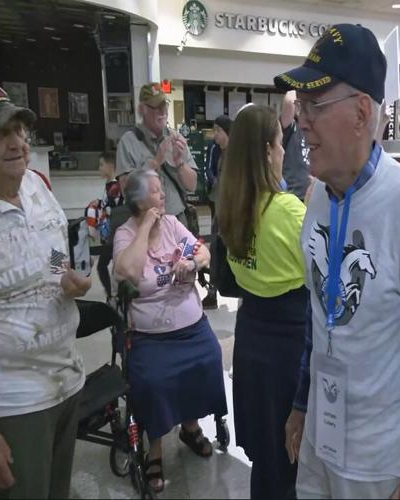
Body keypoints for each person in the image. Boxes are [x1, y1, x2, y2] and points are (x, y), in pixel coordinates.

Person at [274, 24, 400, 499]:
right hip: (320, 439)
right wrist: (301, 403)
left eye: (315, 105)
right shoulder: (318, 196)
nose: (302, 121)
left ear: (360, 113)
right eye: (302, 106)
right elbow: (318, 317)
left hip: (380, 462)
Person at [0, 82, 92, 498]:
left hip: (66, 381)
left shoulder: (38, 186)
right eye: (0, 133)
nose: (17, 143)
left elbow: (52, 252)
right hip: (12, 405)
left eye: (20, 130)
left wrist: (65, 276)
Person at [113, 170, 227, 493]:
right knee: (152, 380)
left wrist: (192, 263)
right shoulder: (126, 234)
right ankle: (155, 449)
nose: (162, 195)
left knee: (209, 357)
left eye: (162, 190)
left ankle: (189, 428)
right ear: (138, 201)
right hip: (150, 336)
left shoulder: (173, 225)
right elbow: (129, 271)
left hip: (190, 326)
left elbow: (203, 252)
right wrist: (147, 225)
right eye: (155, 192)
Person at [217, 104, 307, 499]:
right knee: (290, 459)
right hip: (289, 347)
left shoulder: (230, 208)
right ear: (268, 151)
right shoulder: (288, 211)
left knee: (266, 460)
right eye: (280, 142)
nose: (285, 150)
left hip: (251, 339)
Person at [115, 83, 198, 228]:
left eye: (164, 106)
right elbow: (126, 189)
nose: (163, 112)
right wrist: (155, 162)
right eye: (156, 107)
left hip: (178, 221)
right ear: (142, 109)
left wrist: (179, 163)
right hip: (145, 224)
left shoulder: (175, 138)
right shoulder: (128, 142)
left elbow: (193, 185)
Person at [202, 115, 232, 309]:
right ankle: (212, 292)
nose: (215, 135)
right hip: (220, 210)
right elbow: (209, 170)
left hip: (232, 212)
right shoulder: (217, 151)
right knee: (215, 250)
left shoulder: (236, 155)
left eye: (218, 131)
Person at [85, 151, 123, 301]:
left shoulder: (114, 186)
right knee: (110, 265)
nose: (99, 168)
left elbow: (111, 208)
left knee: (103, 266)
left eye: (101, 165)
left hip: (114, 233)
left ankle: (112, 295)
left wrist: (100, 205)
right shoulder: (112, 185)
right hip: (113, 233)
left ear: (111, 165)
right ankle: (114, 294)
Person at [280, 91, 311, 201]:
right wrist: (304, 86)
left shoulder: (315, 129)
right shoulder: (291, 128)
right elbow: (289, 100)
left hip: (311, 196)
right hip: (293, 196)